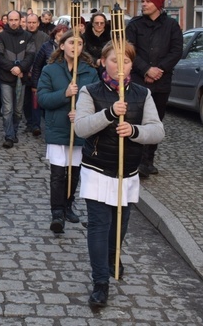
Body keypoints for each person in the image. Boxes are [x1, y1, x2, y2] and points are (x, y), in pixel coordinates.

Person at [74, 41, 164, 308]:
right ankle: (100, 281)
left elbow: (157, 130)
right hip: (98, 169)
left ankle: (114, 255)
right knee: (99, 226)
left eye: (125, 61)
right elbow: (81, 128)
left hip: (128, 172)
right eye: (114, 61)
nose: (120, 67)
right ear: (103, 62)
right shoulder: (90, 91)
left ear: (132, 65)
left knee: (120, 226)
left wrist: (135, 132)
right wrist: (110, 114)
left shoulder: (142, 94)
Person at [37, 30, 98, 233]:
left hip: (78, 128)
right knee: (58, 174)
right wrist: (65, 94)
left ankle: (67, 205)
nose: (75, 46)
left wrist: (81, 111)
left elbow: (97, 100)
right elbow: (43, 99)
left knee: (74, 172)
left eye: (80, 43)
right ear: (62, 46)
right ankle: (56, 212)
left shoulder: (90, 72)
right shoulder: (50, 70)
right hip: (57, 127)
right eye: (71, 42)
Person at [125, 0, 183, 177]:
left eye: (148, 2)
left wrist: (159, 70)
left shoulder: (171, 26)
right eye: (142, 1)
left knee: (156, 120)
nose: (143, 4)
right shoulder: (134, 25)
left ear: (158, 4)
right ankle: (137, 161)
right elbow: (129, 50)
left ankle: (149, 160)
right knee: (136, 119)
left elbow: (176, 51)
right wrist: (146, 70)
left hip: (161, 83)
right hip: (138, 81)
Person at [0, 10, 36, 148]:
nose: (13, 22)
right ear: (7, 21)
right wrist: (12, 67)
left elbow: (30, 55)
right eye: (11, 20)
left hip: (21, 79)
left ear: (19, 20)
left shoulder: (28, 36)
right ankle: (9, 135)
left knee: (18, 110)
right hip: (6, 78)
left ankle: (14, 130)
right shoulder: (1, 37)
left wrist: (20, 68)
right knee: (7, 109)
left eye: (16, 20)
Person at [24, 13, 49, 136]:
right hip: (24, 72)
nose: (31, 25)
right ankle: (29, 122)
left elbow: (46, 54)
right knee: (25, 101)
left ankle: (36, 125)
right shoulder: (23, 35)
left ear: (38, 23)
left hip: (39, 72)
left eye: (34, 22)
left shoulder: (44, 37)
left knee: (36, 100)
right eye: (29, 22)